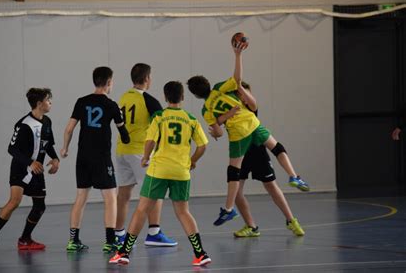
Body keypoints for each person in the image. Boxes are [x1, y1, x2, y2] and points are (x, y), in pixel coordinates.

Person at [187, 38, 309, 227]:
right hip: (253, 124)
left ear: (196, 95)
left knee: (234, 173)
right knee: (277, 147)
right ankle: (294, 176)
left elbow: (218, 133)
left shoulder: (206, 110)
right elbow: (238, 83)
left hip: (240, 136)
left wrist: (220, 121)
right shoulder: (223, 89)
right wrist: (238, 56)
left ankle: (228, 210)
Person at [109, 81, 211, 266]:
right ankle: (200, 253)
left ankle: (124, 252)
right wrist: (192, 160)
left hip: (159, 170)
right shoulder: (191, 119)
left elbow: (150, 141)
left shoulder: (159, 117)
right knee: (183, 212)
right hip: (181, 171)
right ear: (182, 97)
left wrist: (145, 157)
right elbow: (203, 145)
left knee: (142, 209)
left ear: (165, 97)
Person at [215, 82, 305, 237]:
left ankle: (291, 220)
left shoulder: (251, 109)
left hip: (257, 153)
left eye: (248, 95)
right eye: (242, 95)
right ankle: (251, 226)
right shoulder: (232, 111)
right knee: (236, 192)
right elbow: (218, 126)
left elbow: (252, 104)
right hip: (240, 155)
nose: (246, 98)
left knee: (271, 186)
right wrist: (216, 130)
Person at [0, 88, 60, 253]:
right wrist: (30, 162)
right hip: (21, 168)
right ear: (39, 103)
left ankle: (25, 240)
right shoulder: (24, 124)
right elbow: (12, 149)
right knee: (14, 202)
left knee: (40, 206)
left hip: (37, 170)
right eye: (48, 100)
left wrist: (55, 158)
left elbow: (48, 144)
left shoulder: (48, 122)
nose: (51, 102)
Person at [60, 66, 130, 253]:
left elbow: (69, 129)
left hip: (82, 156)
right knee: (110, 197)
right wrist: (123, 127)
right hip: (101, 157)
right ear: (108, 83)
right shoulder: (111, 105)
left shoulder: (81, 101)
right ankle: (110, 241)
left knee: (81, 197)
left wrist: (65, 148)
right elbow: (124, 135)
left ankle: (73, 241)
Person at [115, 63, 177, 247]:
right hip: (140, 152)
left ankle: (119, 234)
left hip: (122, 150)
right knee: (155, 192)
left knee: (124, 193)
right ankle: (154, 232)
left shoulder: (123, 97)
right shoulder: (148, 100)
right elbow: (163, 124)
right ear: (147, 79)